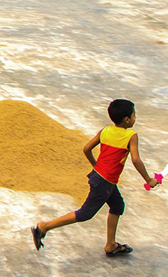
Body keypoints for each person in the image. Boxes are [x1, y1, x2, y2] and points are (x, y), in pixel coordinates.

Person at [31, 99, 159, 256]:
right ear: (126, 119)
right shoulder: (131, 136)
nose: (135, 118)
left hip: (102, 178)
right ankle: (44, 226)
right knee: (85, 214)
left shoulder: (105, 131)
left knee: (118, 206)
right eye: (134, 115)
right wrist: (148, 179)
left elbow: (86, 149)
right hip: (104, 182)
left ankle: (111, 245)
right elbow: (136, 160)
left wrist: (97, 166)